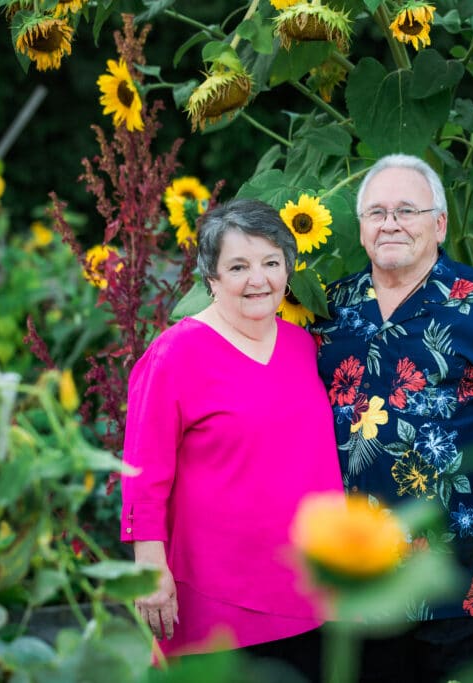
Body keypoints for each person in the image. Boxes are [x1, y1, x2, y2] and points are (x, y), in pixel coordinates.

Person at [309, 154, 473, 682]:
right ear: (360, 229)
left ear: (439, 223)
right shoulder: (330, 314)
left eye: (407, 209)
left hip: (472, 582)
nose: (391, 223)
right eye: (377, 212)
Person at [120, 198, 343, 678]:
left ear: (287, 269)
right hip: (214, 599)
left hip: (310, 590)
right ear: (212, 277)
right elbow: (143, 472)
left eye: (270, 262)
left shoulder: (304, 346)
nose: (257, 279)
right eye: (238, 266)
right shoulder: (175, 355)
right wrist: (150, 569)